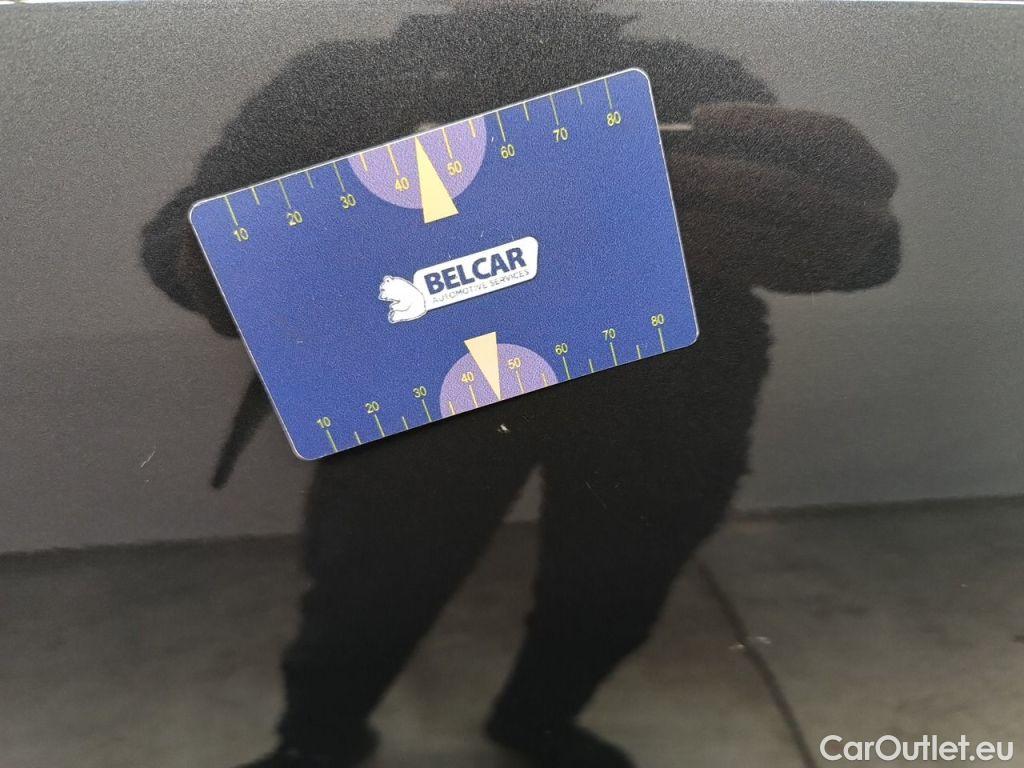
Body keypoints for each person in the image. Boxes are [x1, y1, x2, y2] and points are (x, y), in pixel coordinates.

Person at [142, 5, 900, 766]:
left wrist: (852, 231)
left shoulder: (690, 78)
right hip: (445, 397)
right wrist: (225, 263)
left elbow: (844, 244)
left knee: (611, 587)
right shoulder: (343, 82)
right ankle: (322, 738)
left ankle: (524, 723)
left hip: (653, 394)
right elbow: (175, 238)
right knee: (371, 588)